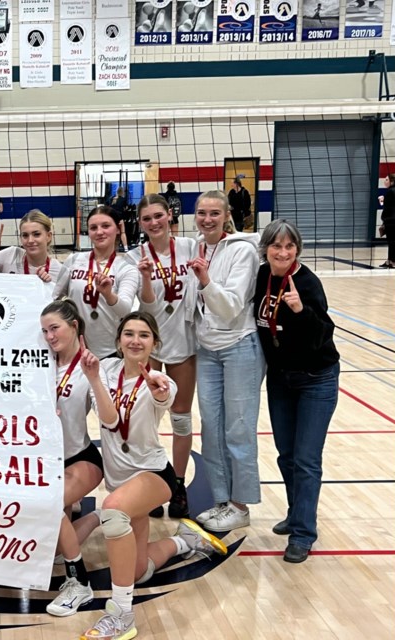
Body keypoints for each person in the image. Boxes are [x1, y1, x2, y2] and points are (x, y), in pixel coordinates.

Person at [81, 311, 227, 640]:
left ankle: (121, 615)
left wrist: (159, 391)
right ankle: (184, 541)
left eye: (144, 335)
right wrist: (93, 379)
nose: (135, 340)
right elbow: (108, 418)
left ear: (154, 344)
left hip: (153, 475)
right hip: (120, 478)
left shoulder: (163, 380)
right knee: (137, 571)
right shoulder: (105, 370)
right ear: (119, 340)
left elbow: (164, 396)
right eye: (129, 333)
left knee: (114, 513)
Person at [254, 220, 340, 563]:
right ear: (266, 249)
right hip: (280, 378)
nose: (283, 252)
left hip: (316, 378)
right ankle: (294, 514)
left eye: (290, 247)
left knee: (306, 459)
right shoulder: (261, 276)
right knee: (286, 455)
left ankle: (303, 533)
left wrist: (300, 311)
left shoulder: (307, 283)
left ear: (297, 250)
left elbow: (324, 334)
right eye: (276, 246)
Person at [189, 190, 266, 533]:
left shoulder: (244, 251)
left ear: (226, 216)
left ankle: (241, 504)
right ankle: (222, 500)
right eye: (202, 212)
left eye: (214, 213)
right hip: (207, 349)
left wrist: (205, 280)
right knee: (210, 426)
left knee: (238, 428)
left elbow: (232, 305)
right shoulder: (197, 247)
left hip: (239, 346)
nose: (207, 219)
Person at [129, 194, 200, 519]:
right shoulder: (134, 256)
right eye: (147, 219)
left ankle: (180, 484)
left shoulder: (190, 246)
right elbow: (147, 304)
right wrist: (145, 277)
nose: (154, 223)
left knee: (181, 418)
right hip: (151, 345)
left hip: (183, 341)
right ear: (140, 223)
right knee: (145, 419)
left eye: (158, 216)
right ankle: (154, 482)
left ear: (169, 216)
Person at [39, 300, 107, 617]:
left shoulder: (90, 366)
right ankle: (97, 517)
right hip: (45, 463)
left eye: (55, 328)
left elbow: (109, 418)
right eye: (45, 331)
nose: (50, 336)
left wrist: (95, 379)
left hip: (80, 459)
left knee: (49, 506)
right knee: (54, 547)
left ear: (74, 326)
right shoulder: (39, 362)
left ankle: (79, 583)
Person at [53, 205, 139, 359]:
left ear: (118, 228)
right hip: (74, 347)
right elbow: (56, 298)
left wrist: (108, 294)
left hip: (112, 350)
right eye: (93, 227)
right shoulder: (74, 260)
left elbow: (125, 311)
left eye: (106, 226)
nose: (99, 232)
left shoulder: (126, 269)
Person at [0, 209, 63, 287]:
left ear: (48, 236)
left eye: (36, 234)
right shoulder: (11, 255)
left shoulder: (60, 272)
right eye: (25, 235)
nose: (30, 240)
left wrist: (47, 288)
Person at [378, 173, 395, 268]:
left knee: (392, 242)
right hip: (394, 220)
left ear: (392, 182)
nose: (384, 181)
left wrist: (382, 201)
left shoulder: (390, 191)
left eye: (386, 180)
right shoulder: (393, 191)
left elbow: (387, 207)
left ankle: (393, 262)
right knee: (393, 242)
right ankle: (390, 261)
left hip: (391, 220)